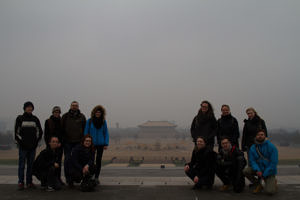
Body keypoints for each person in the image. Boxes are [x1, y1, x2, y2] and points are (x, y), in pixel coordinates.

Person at [14, 101, 43, 190]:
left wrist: (35, 142)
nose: (29, 108)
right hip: (23, 147)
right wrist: (21, 143)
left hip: (32, 147)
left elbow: (39, 132)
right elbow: (16, 133)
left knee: (31, 165)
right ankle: (21, 182)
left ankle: (29, 182)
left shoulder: (35, 119)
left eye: (31, 107)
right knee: (22, 165)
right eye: (28, 107)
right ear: (25, 108)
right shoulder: (20, 118)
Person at [243, 130, 278, 195]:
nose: (260, 136)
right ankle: (258, 185)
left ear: (265, 136)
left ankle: (273, 182)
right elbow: (252, 161)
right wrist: (258, 170)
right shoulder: (253, 148)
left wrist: (264, 174)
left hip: (269, 171)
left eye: (262, 135)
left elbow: (273, 163)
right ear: (256, 136)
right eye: (258, 135)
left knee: (270, 192)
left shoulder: (271, 147)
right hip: (259, 169)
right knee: (245, 171)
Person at [62, 101, 86, 185]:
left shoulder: (82, 116)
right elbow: (62, 129)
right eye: (73, 105)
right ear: (70, 106)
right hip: (68, 142)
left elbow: (84, 130)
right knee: (67, 160)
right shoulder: (65, 116)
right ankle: (68, 179)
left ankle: (77, 177)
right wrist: (64, 140)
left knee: (77, 161)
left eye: (76, 105)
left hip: (78, 142)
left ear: (78, 107)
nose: (74, 107)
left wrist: (83, 141)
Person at [84, 105, 109, 185]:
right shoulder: (89, 121)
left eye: (99, 112)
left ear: (101, 113)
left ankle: (96, 177)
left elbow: (106, 133)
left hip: (101, 144)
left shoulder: (103, 121)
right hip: (91, 144)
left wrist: (106, 143)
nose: (98, 113)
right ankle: (90, 175)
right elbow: (86, 132)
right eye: (97, 112)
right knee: (90, 160)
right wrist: (86, 142)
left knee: (98, 161)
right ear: (94, 113)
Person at [44, 106, 64, 185]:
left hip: (59, 145)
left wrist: (60, 143)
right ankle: (49, 179)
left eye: (58, 112)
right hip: (50, 146)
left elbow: (63, 133)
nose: (57, 113)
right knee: (50, 163)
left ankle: (58, 178)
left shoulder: (62, 121)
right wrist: (50, 143)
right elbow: (46, 134)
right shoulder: (48, 121)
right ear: (53, 113)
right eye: (55, 112)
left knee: (58, 163)